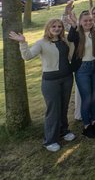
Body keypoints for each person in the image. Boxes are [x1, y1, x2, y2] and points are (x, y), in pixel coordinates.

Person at [9, 20, 76, 152]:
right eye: (54, 26)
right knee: (53, 110)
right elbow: (27, 56)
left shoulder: (64, 41)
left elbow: (72, 50)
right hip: (51, 81)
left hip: (67, 78)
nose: (57, 29)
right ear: (48, 28)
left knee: (64, 106)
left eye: (59, 27)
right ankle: (50, 140)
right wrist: (23, 42)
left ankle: (64, 131)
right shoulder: (41, 43)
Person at [67, 10, 95, 139]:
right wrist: (73, 25)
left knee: (94, 97)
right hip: (83, 69)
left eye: (90, 20)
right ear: (81, 22)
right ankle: (86, 125)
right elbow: (70, 38)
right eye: (85, 21)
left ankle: (94, 121)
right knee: (86, 98)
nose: (88, 22)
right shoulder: (77, 34)